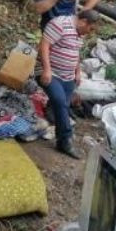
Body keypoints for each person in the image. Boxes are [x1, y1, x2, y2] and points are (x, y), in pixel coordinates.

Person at [38, 9, 100, 159]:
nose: (89, 33)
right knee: (60, 101)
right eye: (90, 28)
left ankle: (60, 137)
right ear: (83, 21)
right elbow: (44, 45)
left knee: (63, 104)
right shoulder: (60, 24)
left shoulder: (80, 33)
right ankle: (66, 140)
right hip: (51, 72)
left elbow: (75, 52)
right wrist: (46, 69)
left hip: (68, 76)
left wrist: (77, 72)